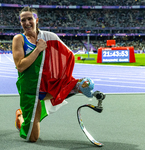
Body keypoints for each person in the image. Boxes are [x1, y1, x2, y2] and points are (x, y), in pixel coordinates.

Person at [12, 6, 105, 143]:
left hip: (47, 85)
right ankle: (20, 117)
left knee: (84, 83)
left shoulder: (49, 37)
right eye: (23, 20)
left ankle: (77, 87)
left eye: (29, 19)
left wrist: (65, 79)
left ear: (37, 20)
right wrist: (38, 49)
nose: (26, 23)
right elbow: (20, 66)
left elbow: (67, 55)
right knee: (32, 137)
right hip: (30, 89)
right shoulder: (19, 39)